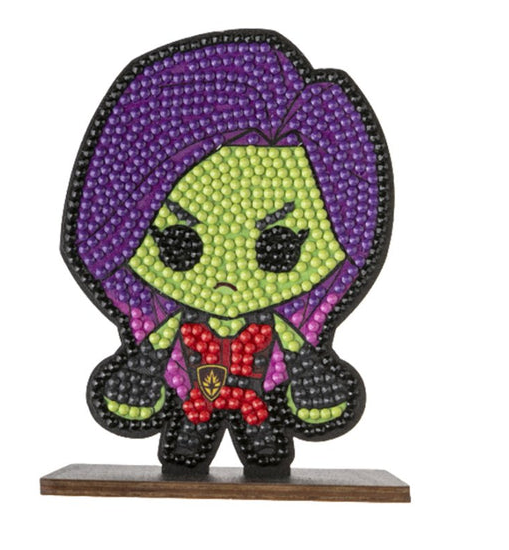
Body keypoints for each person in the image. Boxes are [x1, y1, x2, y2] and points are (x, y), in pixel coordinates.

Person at [63, 31, 390, 477]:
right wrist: (139, 378)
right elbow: (154, 350)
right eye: (179, 244)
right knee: (191, 436)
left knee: (262, 440)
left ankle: (252, 446)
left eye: (278, 248)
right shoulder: (173, 327)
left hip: (256, 401)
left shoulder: (275, 330)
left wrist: (313, 382)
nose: (226, 276)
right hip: (193, 399)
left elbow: (298, 352)